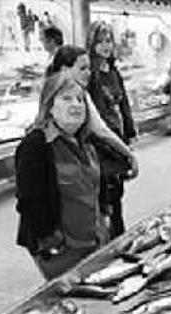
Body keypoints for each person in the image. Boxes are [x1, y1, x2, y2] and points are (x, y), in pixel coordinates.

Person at [15, 72, 110, 280]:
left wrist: (104, 219)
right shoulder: (36, 146)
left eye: (80, 99)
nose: (76, 105)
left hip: (93, 241)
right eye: (66, 98)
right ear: (49, 106)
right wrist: (51, 245)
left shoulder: (85, 141)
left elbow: (96, 187)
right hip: (61, 252)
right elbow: (28, 203)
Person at [41, 45, 137, 174]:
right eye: (82, 68)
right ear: (65, 69)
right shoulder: (71, 93)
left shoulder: (57, 90)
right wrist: (128, 153)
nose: (88, 73)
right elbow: (100, 129)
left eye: (89, 68)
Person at [86, 22, 137, 239]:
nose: (105, 46)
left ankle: (117, 237)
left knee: (117, 194)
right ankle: (112, 241)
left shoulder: (113, 71)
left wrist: (130, 132)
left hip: (118, 139)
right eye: (100, 41)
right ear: (92, 43)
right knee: (106, 196)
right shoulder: (91, 73)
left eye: (108, 40)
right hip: (101, 144)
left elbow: (123, 102)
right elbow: (95, 117)